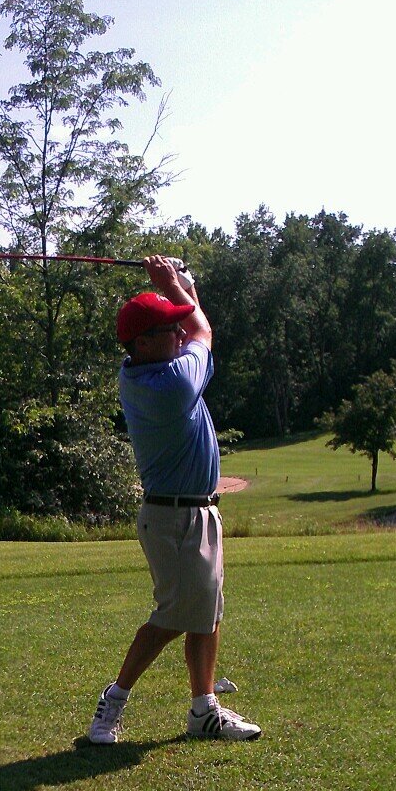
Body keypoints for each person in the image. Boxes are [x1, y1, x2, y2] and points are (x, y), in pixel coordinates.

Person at [87, 254, 261, 744]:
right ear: (143, 344)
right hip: (173, 517)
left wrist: (180, 286)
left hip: (198, 510)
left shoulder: (156, 366)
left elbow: (191, 323)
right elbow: (201, 327)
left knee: (208, 610)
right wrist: (170, 283)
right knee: (173, 616)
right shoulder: (168, 383)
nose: (179, 335)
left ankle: (204, 709)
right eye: (167, 330)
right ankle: (112, 702)